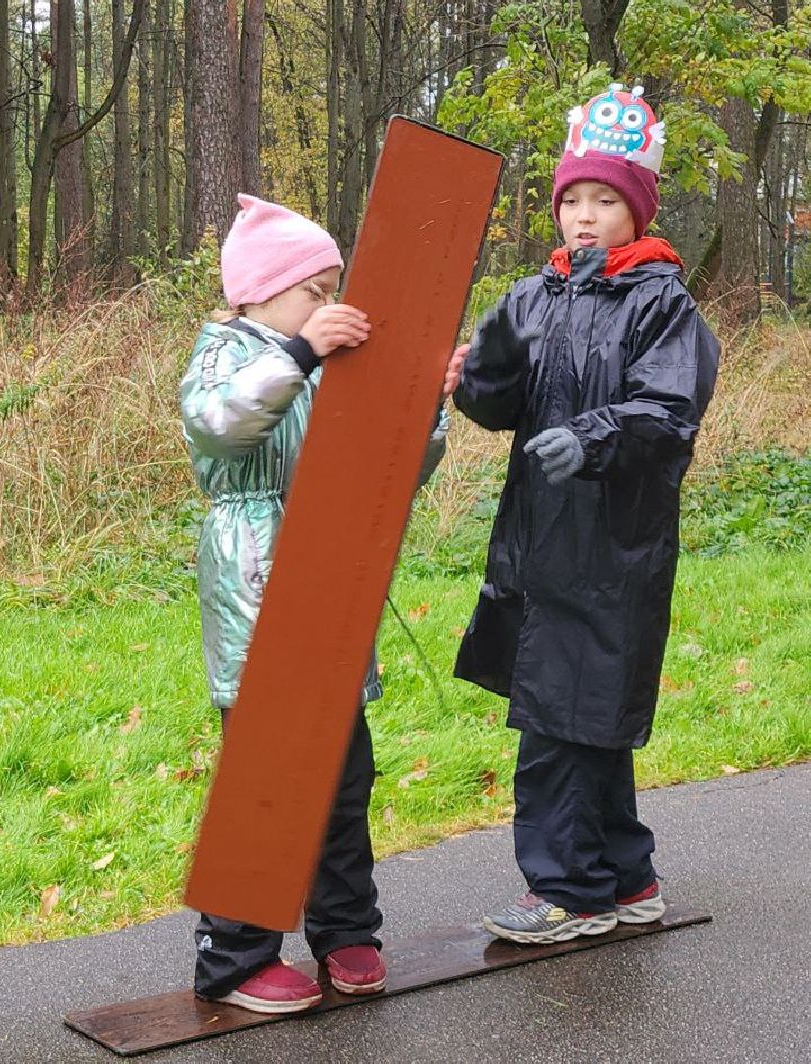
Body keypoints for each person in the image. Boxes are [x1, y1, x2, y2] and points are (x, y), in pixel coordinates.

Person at [180, 194, 465, 1012]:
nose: (331, 303)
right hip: (259, 584)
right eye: (316, 288)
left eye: (335, 287)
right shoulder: (223, 354)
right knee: (268, 774)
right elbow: (222, 425)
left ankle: (345, 932)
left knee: (345, 771)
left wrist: (429, 406)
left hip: (334, 574)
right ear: (257, 295)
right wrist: (301, 353)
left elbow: (394, 466)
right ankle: (234, 959)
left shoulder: (331, 356)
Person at [454, 85, 721, 945]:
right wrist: (485, 375)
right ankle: (625, 875)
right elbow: (498, 409)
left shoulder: (661, 303)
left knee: (561, 717)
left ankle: (567, 890)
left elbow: (669, 410)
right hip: (540, 541)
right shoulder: (535, 297)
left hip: (615, 546)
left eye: (605, 200)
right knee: (585, 712)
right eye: (573, 199)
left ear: (635, 209)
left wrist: (594, 438)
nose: (585, 216)